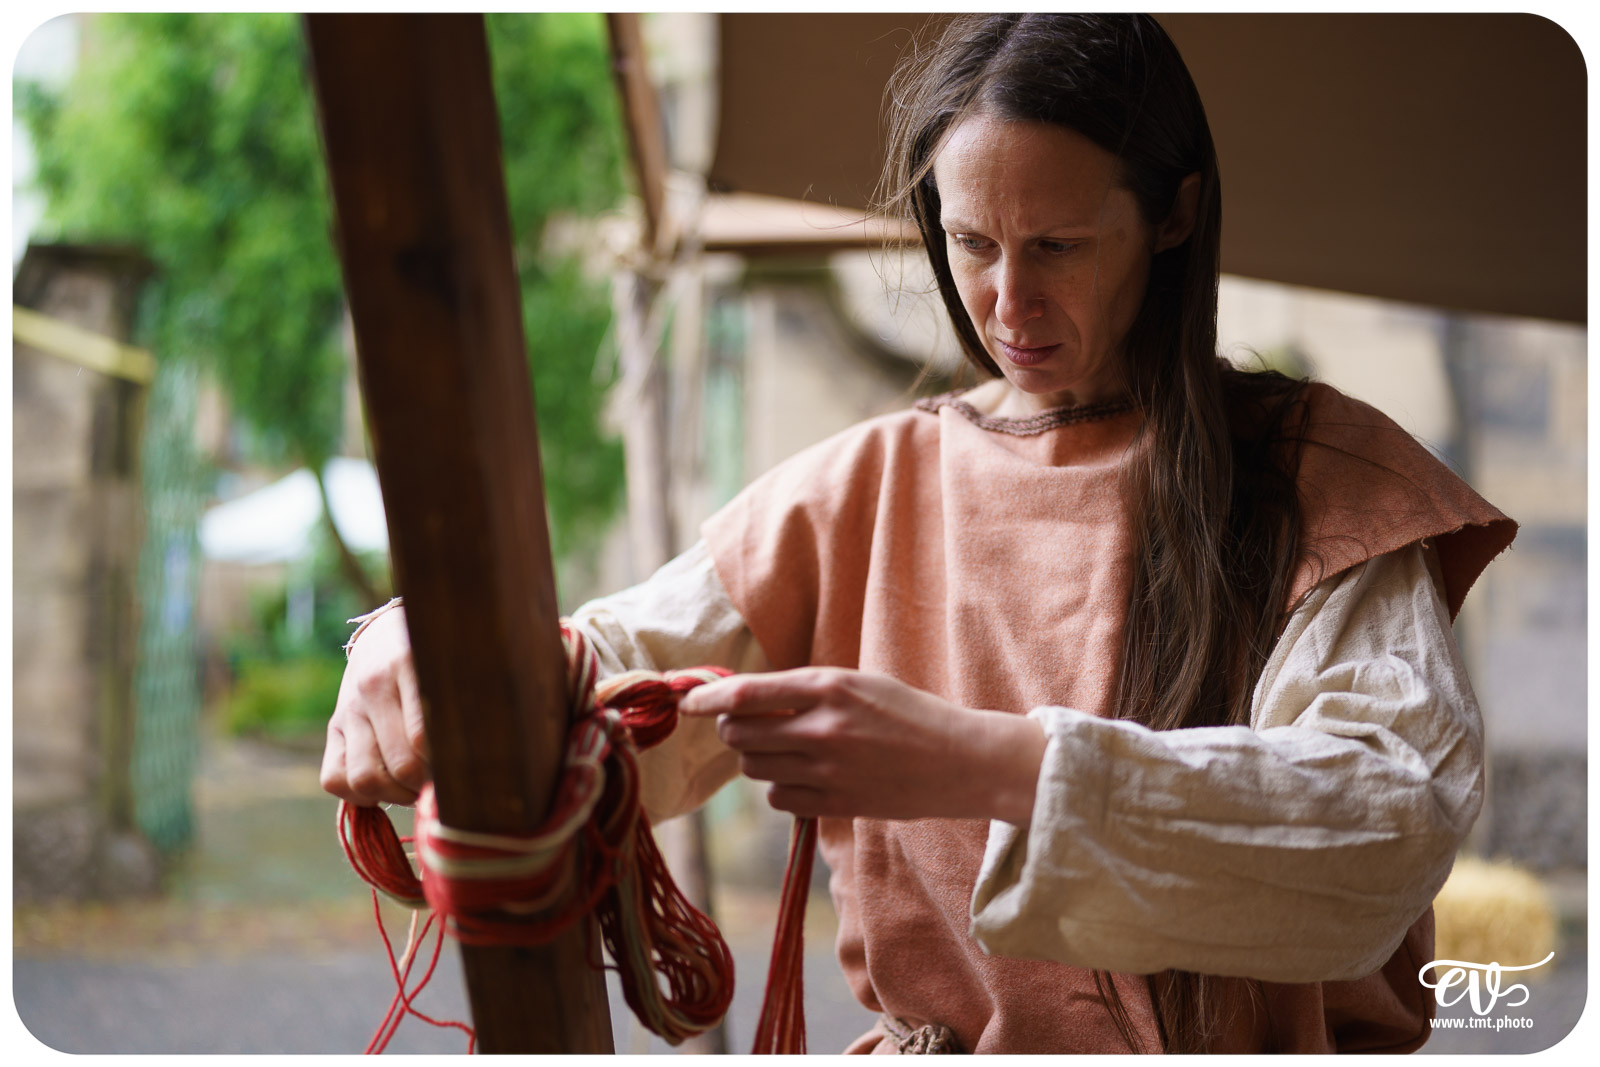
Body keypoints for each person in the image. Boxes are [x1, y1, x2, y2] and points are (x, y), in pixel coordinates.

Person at [321, 13, 1515, 1054]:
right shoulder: (867, 484)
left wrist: (978, 760)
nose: (1008, 301)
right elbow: (605, 677)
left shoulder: (1317, 475)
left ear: (1173, 215)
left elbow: (1387, 819)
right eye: (971, 243)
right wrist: (415, 643)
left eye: (1056, 245)